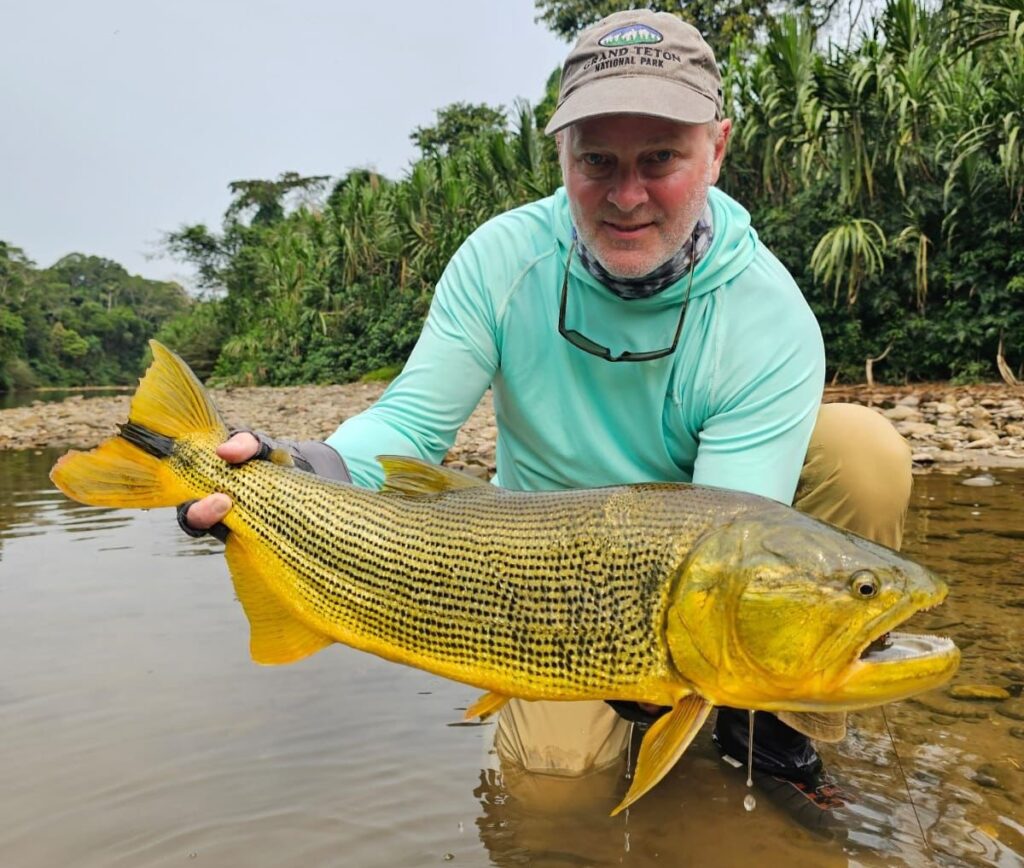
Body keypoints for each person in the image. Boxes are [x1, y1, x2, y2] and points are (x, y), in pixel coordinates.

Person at [180, 9, 911, 832]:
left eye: (660, 158)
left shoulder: (767, 314)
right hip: (537, 560)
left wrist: (689, 665)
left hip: (683, 557)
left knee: (862, 452)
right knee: (551, 801)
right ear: (560, 154)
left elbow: (734, 532)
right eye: (597, 159)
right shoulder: (501, 259)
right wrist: (302, 469)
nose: (626, 194)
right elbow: (412, 426)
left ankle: (770, 724)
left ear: (718, 148)